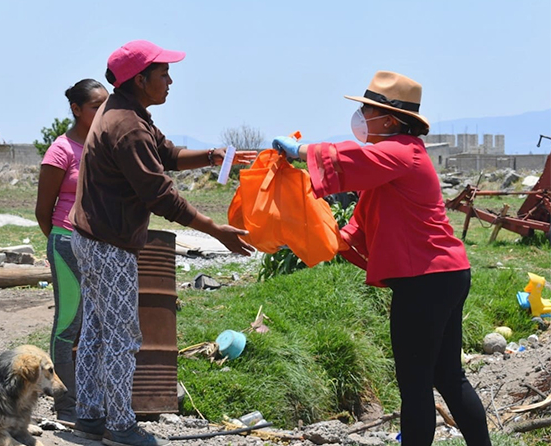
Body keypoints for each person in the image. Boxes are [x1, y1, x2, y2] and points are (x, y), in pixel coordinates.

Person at [272, 71, 491, 446]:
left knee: (415, 383)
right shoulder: (398, 158)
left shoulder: (398, 151)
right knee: (446, 377)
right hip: (446, 273)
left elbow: (349, 158)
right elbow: (362, 220)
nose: (360, 116)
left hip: (424, 280)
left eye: (366, 110)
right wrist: (312, 241)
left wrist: (300, 152)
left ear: (389, 119)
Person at [69, 40, 256, 446]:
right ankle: (119, 426)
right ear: (140, 79)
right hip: (109, 244)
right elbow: (160, 195)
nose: (170, 81)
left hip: (91, 237)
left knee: (99, 331)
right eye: (163, 74)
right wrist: (215, 230)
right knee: (121, 336)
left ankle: (89, 415)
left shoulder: (126, 112)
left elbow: (166, 153)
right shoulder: (128, 125)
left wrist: (212, 155)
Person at [35, 78, 109, 422]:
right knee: (68, 323)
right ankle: (65, 402)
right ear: (77, 110)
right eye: (96, 106)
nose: (103, 110)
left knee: (97, 324)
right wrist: (62, 243)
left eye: (106, 104)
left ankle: (93, 396)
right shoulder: (61, 150)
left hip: (101, 246)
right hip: (66, 243)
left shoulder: (106, 145)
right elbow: (42, 210)